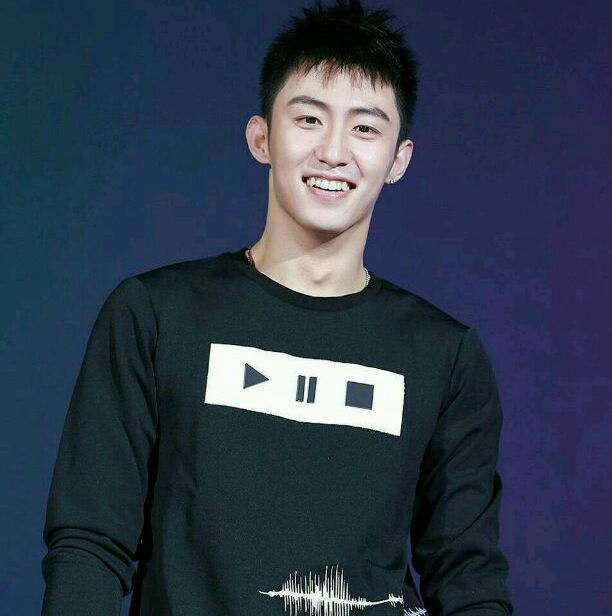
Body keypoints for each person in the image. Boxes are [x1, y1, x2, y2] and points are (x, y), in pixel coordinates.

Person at [40, 1, 514, 614]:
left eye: (365, 129)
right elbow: (90, 545)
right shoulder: (156, 316)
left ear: (398, 160)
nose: (334, 152)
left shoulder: (444, 356)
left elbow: (467, 575)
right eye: (309, 119)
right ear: (261, 137)